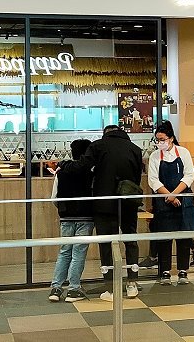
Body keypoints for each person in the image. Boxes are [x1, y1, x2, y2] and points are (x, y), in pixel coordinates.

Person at [58, 125, 143, 301]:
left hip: (104, 204)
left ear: (105, 134)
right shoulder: (135, 149)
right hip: (128, 202)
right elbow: (137, 177)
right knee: (130, 241)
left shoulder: (98, 145)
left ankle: (110, 288)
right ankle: (132, 283)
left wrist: (63, 164)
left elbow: (82, 166)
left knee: (106, 244)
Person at [147, 121, 194, 286]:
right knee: (164, 238)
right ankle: (165, 271)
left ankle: (183, 271)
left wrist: (175, 194)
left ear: (171, 138)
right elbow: (153, 180)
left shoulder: (183, 152)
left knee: (183, 237)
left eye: (162, 139)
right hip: (163, 202)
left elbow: (189, 175)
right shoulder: (155, 156)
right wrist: (169, 196)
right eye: (157, 140)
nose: (160, 143)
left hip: (183, 200)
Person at [48, 139, 95, 303]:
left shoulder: (61, 171)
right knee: (78, 253)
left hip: (66, 217)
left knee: (64, 251)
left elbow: (54, 198)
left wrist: (64, 210)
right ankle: (73, 289)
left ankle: (56, 288)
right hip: (86, 216)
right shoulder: (92, 171)